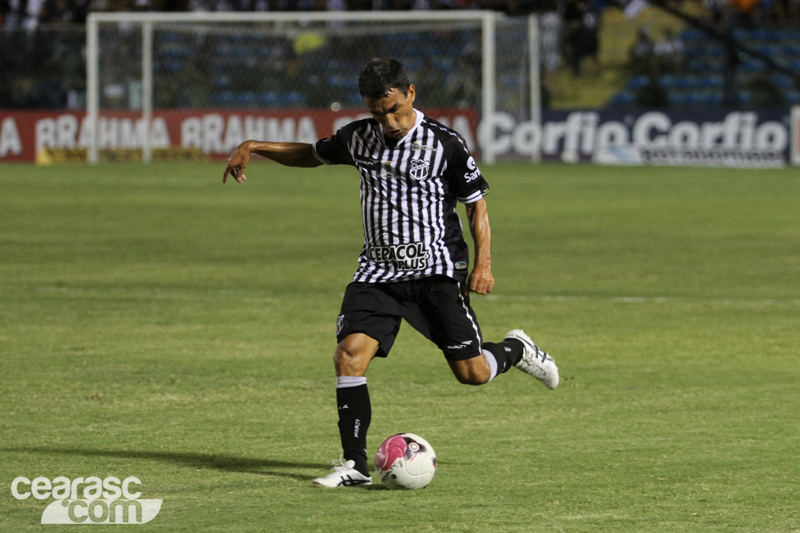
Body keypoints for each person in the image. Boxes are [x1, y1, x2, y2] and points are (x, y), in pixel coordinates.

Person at [223, 58, 559, 488]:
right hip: (378, 272)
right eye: (378, 113)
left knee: (472, 373)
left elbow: (476, 203)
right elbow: (311, 154)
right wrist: (254, 146)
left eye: (395, 109)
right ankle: (355, 464)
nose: (390, 122)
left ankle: (517, 349)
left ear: (411, 94)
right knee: (348, 355)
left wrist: (484, 263)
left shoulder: (445, 144)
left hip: (435, 272)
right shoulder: (359, 138)